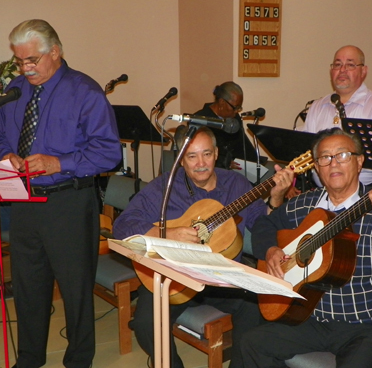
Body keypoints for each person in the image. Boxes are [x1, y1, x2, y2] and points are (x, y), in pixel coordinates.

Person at [0, 19, 121, 368]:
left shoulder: (85, 92)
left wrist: (57, 162)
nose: (25, 68)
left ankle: (79, 359)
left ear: (56, 52)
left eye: (32, 60)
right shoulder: (15, 91)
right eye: (19, 61)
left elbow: (109, 153)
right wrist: (5, 155)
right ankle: (29, 358)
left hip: (69, 202)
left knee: (76, 288)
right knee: (28, 286)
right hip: (24, 200)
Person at [241, 128, 372, 368]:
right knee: (251, 344)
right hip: (312, 318)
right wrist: (269, 250)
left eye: (342, 155)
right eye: (325, 158)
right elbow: (265, 224)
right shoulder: (302, 204)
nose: (333, 163)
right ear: (317, 168)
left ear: (359, 162)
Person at [113, 126, 294, 368]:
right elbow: (123, 224)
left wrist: (276, 198)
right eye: (192, 156)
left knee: (256, 308)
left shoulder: (236, 185)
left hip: (222, 277)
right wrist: (167, 233)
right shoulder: (165, 187)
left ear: (217, 153)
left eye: (206, 154)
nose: (201, 163)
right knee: (146, 323)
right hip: (175, 276)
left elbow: (263, 224)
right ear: (180, 159)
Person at [303, 45, 372, 186]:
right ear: (331, 71)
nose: (342, 70)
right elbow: (308, 150)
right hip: (320, 192)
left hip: (366, 193)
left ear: (363, 71)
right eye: (337, 65)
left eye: (350, 65)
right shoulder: (318, 106)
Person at [193, 81, 256, 170]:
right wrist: (224, 162)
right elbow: (196, 155)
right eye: (235, 107)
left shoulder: (235, 119)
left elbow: (243, 147)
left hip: (237, 173)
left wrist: (256, 165)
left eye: (239, 108)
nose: (236, 112)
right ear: (222, 102)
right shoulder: (200, 120)